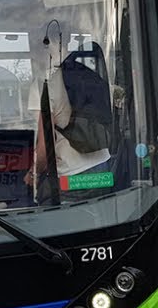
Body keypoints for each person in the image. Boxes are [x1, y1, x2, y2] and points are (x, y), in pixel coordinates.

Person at [24, 19, 112, 202]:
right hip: (103, 167)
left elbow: (43, 147)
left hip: (73, 177)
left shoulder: (43, 85)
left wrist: (33, 174)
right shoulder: (90, 73)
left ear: (46, 46)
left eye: (35, 48)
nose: (33, 54)